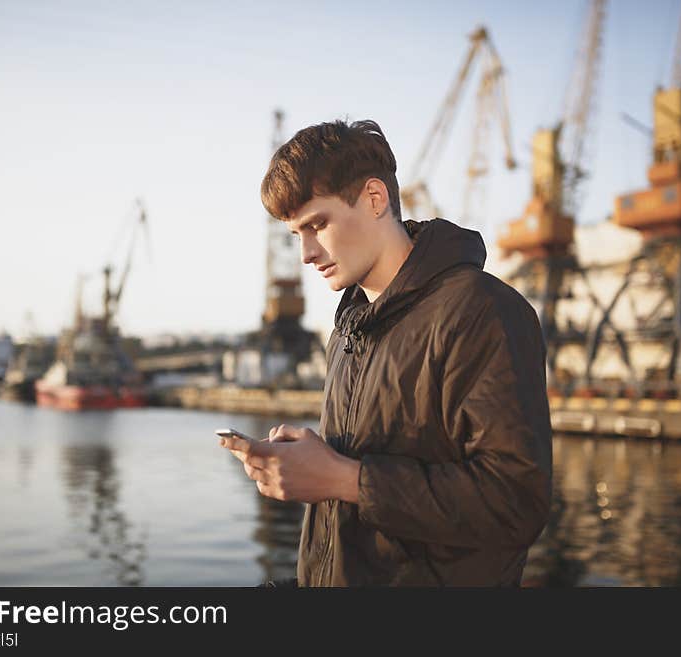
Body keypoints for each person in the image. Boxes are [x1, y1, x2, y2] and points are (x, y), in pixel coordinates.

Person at [219, 118, 552, 586]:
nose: (307, 254)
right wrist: (311, 464)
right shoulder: (349, 325)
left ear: (375, 199)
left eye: (318, 224)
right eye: (297, 234)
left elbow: (515, 504)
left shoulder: (482, 310)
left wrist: (344, 479)